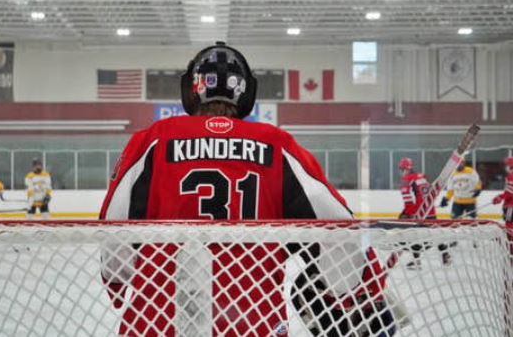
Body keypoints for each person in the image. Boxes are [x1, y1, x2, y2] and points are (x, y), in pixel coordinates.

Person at [99, 42, 396, 336]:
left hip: (159, 320)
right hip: (252, 321)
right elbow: (340, 227)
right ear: (246, 93)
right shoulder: (278, 145)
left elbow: (115, 231)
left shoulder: (153, 139)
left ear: (190, 90)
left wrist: (117, 279)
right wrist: (343, 290)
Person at [398, 157, 451, 268]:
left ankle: (416, 261)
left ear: (404, 169)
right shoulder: (422, 177)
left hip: (419, 213)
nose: (401, 172)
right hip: (430, 210)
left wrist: (406, 214)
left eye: (401, 169)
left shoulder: (407, 181)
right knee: (435, 234)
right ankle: (446, 255)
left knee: (412, 236)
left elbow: (409, 202)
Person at [493, 156, 513, 254]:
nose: (506, 167)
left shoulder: (511, 176)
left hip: (511, 206)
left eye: (507, 165)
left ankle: (510, 244)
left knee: (510, 225)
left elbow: (510, 192)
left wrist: (500, 198)